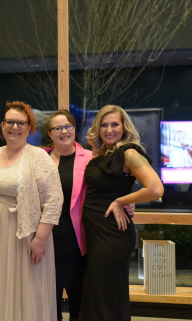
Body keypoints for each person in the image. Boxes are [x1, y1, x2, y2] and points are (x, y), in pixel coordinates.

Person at [0, 101, 63, 321]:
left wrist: (40, 239)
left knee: (25, 291)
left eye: (21, 123)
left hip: (24, 234)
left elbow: (54, 199)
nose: (15, 127)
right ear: (2, 126)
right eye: (10, 122)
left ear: (29, 127)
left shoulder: (38, 157)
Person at [43, 110, 135, 321]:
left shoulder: (90, 158)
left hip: (81, 242)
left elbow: (111, 186)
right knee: (48, 305)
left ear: (75, 129)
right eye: (58, 128)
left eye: (68, 126)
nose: (64, 131)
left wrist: (127, 201)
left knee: (81, 304)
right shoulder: (40, 159)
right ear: (50, 133)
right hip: (47, 242)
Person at [79, 105, 164, 321]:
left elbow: (155, 189)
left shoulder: (129, 152)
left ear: (124, 127)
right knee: (98, 294)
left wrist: (121, 201)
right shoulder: (103, 153)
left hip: (113, 235)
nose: (109, 129)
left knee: (107, 296)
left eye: (114, 124)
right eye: (104, 125)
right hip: (97, 236)